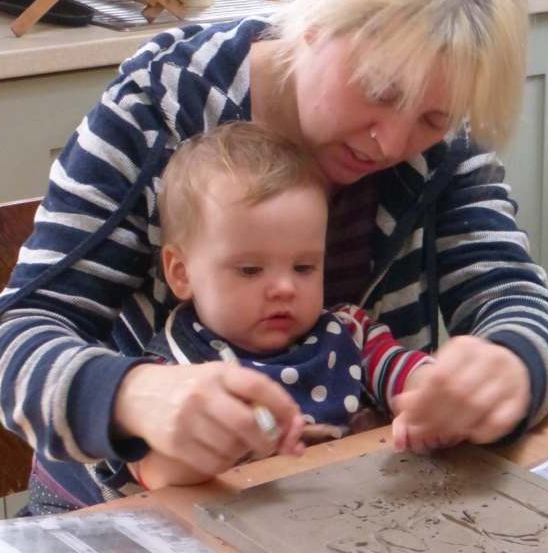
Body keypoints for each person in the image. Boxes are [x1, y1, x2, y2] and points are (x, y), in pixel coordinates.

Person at [0, 0, 548, 514]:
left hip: (341, 504)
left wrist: (511, 367)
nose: (391, 143)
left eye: (432, 118)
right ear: (312, 22)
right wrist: (133, 396)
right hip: (126, 511)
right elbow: (12, 344)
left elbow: (514, 302)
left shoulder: (446, 149)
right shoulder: (158, 111)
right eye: (379, 90)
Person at [133, 121, 433, 490]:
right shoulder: (173, 371)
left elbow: (409, 377)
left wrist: (433, 391)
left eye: (304, 267)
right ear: (181, 273)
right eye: (250, 269)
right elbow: (152, 474)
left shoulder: (349, 333)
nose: (284, 288)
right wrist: (209, 450)